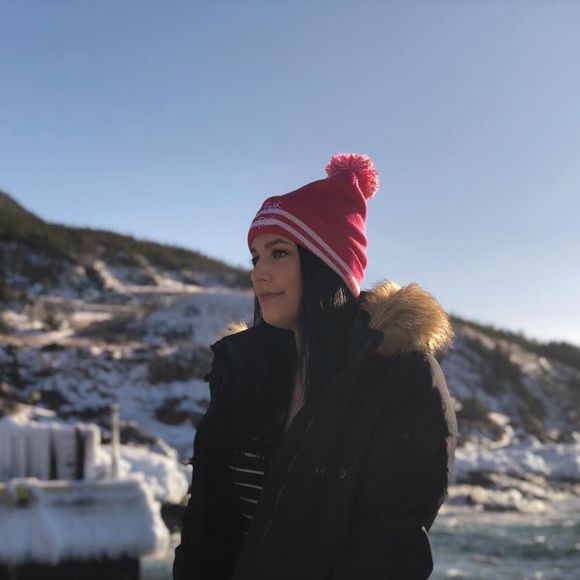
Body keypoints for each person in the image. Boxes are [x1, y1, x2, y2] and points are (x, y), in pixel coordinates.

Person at [173, 153, 458, 580]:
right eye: (255, 257)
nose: (259, 273)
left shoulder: (401, 377)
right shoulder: (243, 369)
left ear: (326, 265)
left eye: (279, 253)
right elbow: (204, 522)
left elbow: (390, 550)